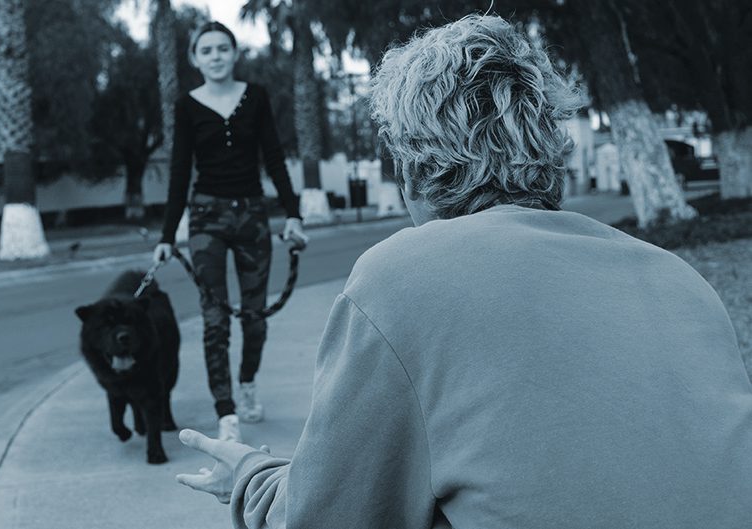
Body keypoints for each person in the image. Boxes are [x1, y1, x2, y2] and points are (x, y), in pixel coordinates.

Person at [175, 14, 752, 529]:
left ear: (412, 167)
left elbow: (327, 516)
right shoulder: (682, 282)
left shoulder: (398, 280)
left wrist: (251, 477)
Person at [153, 21, 307, 443]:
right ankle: (226, 411)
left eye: (224, 48)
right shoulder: (185, 106)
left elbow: (274, 158)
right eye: (207, 50)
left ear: (234, 54)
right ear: (195, 59)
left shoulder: (255, 98)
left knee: (255, 319)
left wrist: (293, 215)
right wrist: (167, 236)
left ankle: (248, 382)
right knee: (215, 320)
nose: (216, 56)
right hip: (206, 220)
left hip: (252, 217)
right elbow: (180, 173)